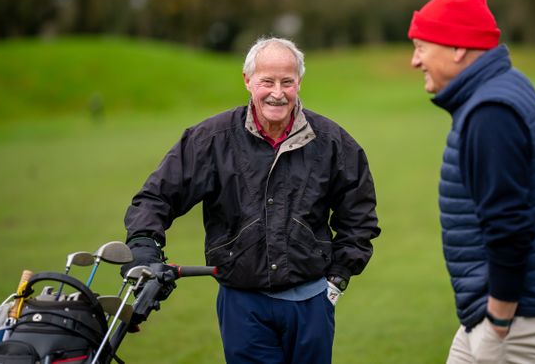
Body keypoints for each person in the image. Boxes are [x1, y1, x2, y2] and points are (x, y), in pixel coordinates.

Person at [121, 37, 380, 364]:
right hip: (242, 305)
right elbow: (156, 197)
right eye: (266, 81)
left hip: (312, 303)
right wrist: (144, 246)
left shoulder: (332, 142)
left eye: (287, 82)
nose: (277, 92)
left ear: (298, 82)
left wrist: (338, 278)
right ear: (247, 81)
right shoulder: (211, 139)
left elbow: (359, 215)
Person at [407, 0, 535, 363]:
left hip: (520, 319)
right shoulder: (500, 91)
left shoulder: (490, 113)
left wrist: (498, 323)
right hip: (511, 313)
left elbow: (508, 225)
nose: (415, 60)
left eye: (421, 47)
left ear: (456, 48)